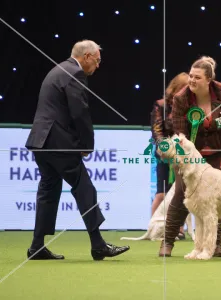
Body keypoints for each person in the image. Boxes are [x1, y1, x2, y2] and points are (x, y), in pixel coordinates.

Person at [25, 40, 130, 260]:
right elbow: (80, 112)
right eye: (98, 60)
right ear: (87, 57)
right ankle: (98, 244)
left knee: (48, 191)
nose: (98, 66)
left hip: (40, 142)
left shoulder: (56, 70)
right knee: (85, 189)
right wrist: (86, 144)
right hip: (59, 143)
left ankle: (36, 246)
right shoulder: (74, 72)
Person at [158, 56, 221, 257]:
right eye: (190, 76)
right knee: (180, 194)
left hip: (217, 153)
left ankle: (216, 245)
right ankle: (167, 242)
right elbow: (180, 135)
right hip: (189, 157)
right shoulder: (181, 98)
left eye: (197, 77)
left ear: (209, 79)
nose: (192, 81)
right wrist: (188, 161)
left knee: (217, 199)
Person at [150, 72, 189, 239]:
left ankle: (178, 229)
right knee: (162, 193)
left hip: (184, 155)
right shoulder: (161, 105)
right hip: (164, 154)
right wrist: (166, 149)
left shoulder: (190, 105)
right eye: (186, 87)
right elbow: (157, 130)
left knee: (181, 193)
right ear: (177, 88)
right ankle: (153, 227)